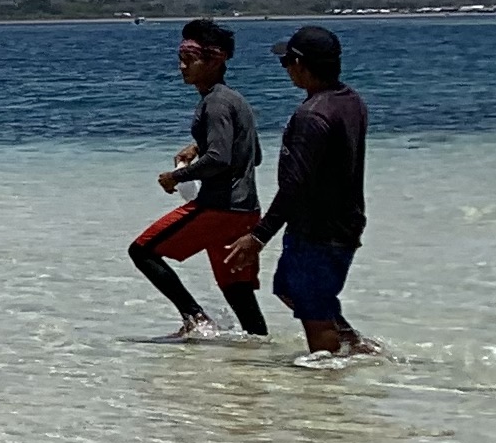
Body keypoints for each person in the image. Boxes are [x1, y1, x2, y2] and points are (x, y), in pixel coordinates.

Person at [132, 19, 269, 341]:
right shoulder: (235, 100)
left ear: (215, 59)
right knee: (237, 291)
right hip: (246, 211)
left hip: (219, 209)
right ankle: (258, 357)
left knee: (142, 251)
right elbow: (254, 156)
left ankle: (196, 319)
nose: (182, 67)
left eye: (189, 60)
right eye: (181, 59)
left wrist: (176, 176)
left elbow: (220, 160)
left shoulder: (215, 103)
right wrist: (200, 146)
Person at [256, 23, 378, 363]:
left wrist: (258, 236)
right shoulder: (351, 100)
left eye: (286, 63)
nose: (286, 70)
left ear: (300, 64)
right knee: (288, 288)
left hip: (318, 229)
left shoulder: (312, 116)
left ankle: (328, 388)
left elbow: (294, 186)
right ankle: (355, 344)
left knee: (313, 308)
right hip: (342, 222)